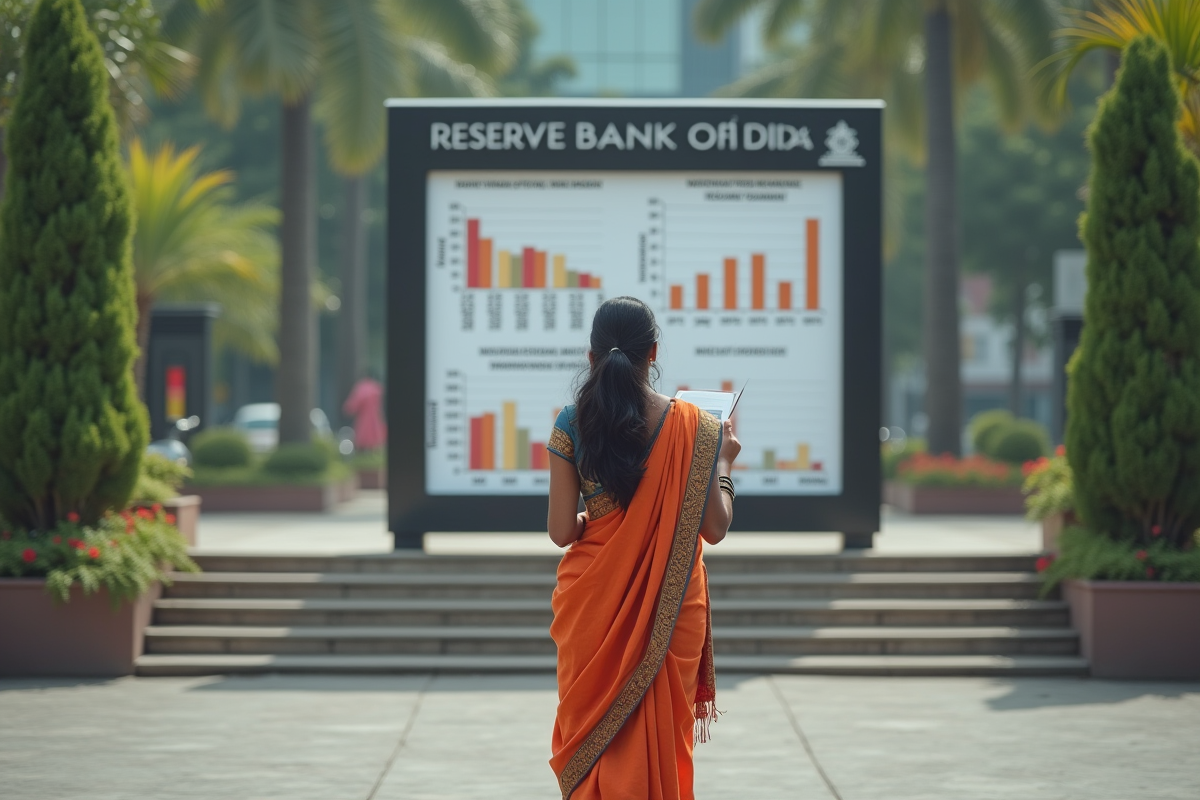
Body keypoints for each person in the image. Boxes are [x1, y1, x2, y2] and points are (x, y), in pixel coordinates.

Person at [546, 296, 741, 800]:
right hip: (672, 609)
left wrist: (602, 519)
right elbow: (715, 531)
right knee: (661, 744)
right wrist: (723, 465)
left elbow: (562, 531)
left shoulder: (571, 422)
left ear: (591, 358)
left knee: (596, 745)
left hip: (593, 605)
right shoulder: (697, 428)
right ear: (653, 352)